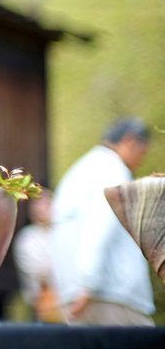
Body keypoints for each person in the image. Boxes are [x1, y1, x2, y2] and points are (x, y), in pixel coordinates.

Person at [50, 116, 155, 326]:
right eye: (141, 152)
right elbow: (100, 227)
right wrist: (89, 284)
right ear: (129, 140)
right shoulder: (113, 170)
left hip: (73, 295)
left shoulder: (80, 170)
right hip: (111, 295)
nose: (140, 160)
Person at [11, 190, 60, 323]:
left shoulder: (60, 234)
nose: (41, 210)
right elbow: (36, 268)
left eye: (46, 205)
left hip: (64, 299)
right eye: (37, 205)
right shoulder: (27, 237)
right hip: (39, 299)